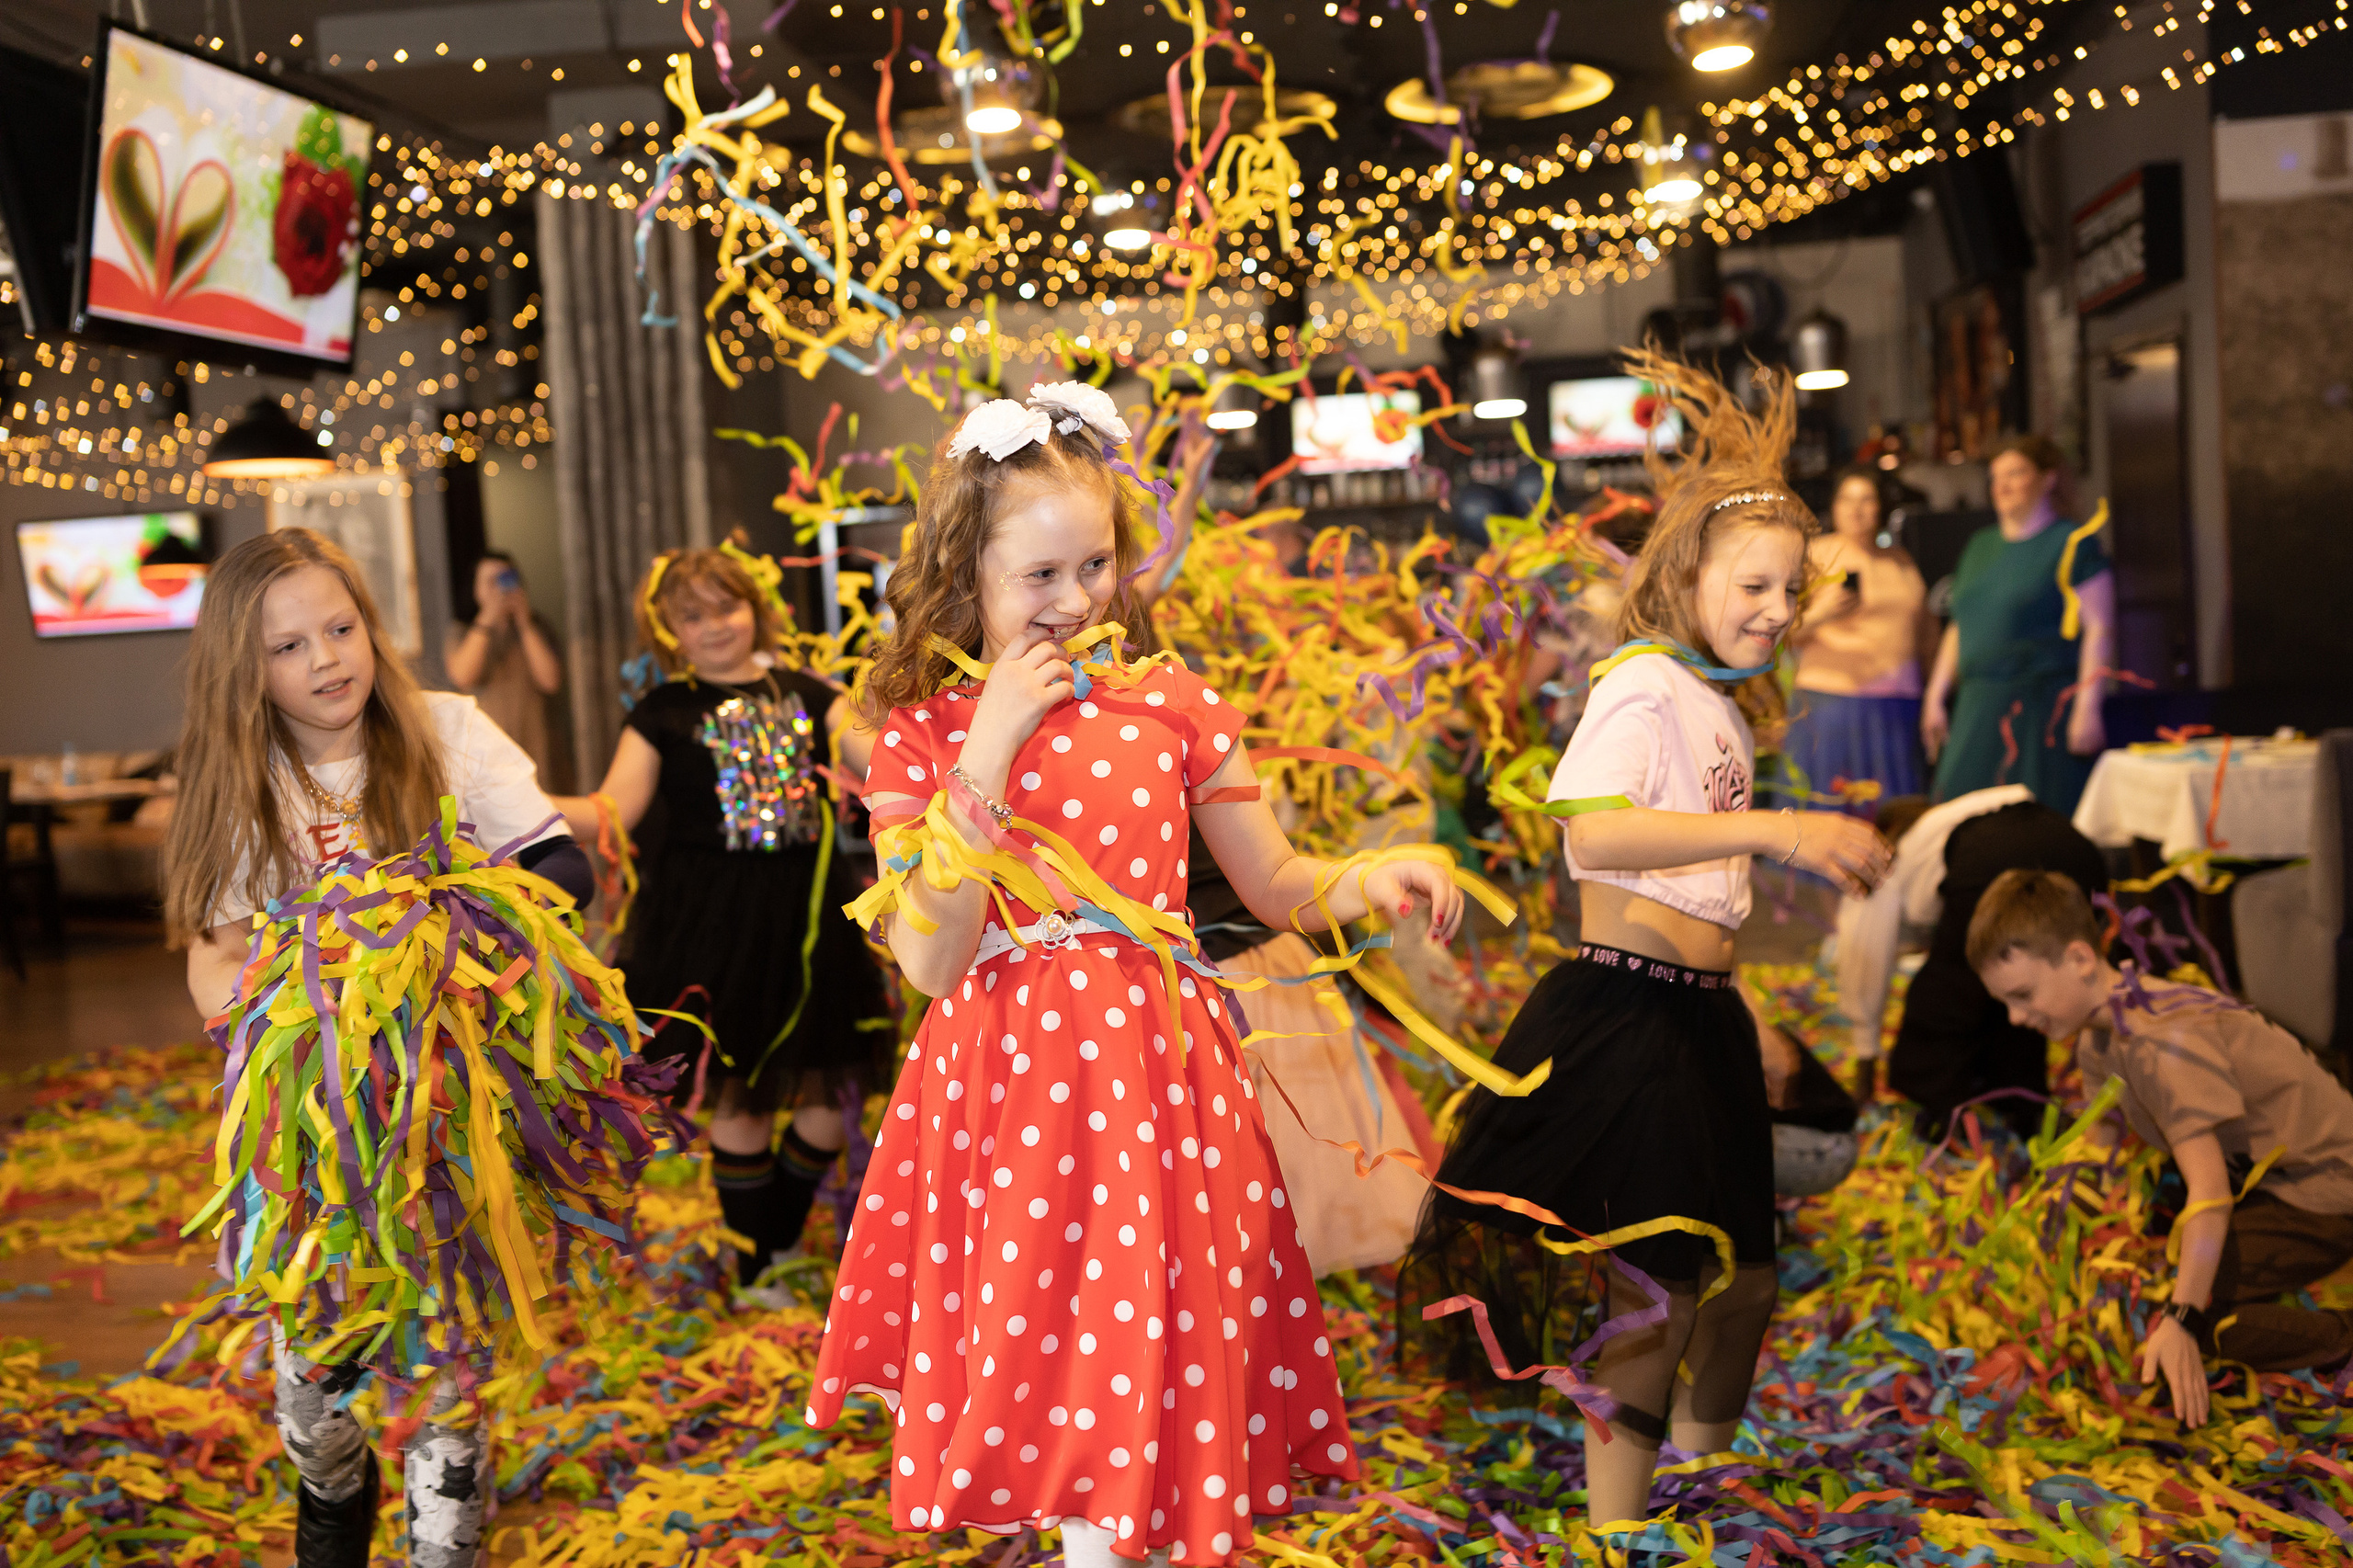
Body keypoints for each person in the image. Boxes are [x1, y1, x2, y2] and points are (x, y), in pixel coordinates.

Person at [804, 381, 1471, 1568]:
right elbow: (929, 957)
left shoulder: (1172, 703)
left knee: (1151, 1344)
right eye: (1039, 575)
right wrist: (990, 745)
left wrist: (1371, 879)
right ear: (965, 573)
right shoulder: (924, 733)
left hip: (1158, 1076)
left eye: (1095, 566)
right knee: (1054, 1345)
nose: (1075, 601)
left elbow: (1274, 883)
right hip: (1011, 1086)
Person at [1402, 350, 1890, 1531]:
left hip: (1698, 1015)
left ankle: (1700, 1483)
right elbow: (1594, 830)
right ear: (1684, 576)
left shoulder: (1715, 703)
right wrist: (1780, 827)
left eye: (1791, 588)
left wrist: (1743, 1007)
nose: (1776, 608)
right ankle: (1619, 1531)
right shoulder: (1642, 685)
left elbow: (1705, 889)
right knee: (1656, 1291)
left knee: (1747, 1280)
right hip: (1627, 1018)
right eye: (1753, 583)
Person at [163, 527, 595, 1568]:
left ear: (370, 625)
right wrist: (268, 1033)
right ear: (243, 668)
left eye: (340, 628)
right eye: (287, 646)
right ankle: (333, 1493)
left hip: (452, 1125)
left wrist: (449, 929)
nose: (325, 659)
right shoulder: (241, 780)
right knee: (313, 1398)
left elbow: (561, 866)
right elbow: (216, 954)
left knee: (449, 1384)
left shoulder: (447, 729)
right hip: (315, 1144)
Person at [554, 542, 891, 1301]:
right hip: (707, 926)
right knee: (739, 1101)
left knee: (827, 1106)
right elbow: (613, 809)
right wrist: (517, 800)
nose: (714, 627)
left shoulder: (809, 695)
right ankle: (758, 1268)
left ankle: (772, 1237)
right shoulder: (662, 712)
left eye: (727, 607)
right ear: (669, 630)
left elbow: (882, 764)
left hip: (806, 924)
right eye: (693, 616)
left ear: (755, 607)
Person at [1971, 869, 2353, 1419]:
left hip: (2325, 1189)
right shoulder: (2099, 1037)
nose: (2015, 1017)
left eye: (2023, 995)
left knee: (2185, 1312)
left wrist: (2182, 1317)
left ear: (2079, 959)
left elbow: (2209, 1192)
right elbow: (2100, 1161)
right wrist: (2057, 1253)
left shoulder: (2158, 1041)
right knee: (2147, 1273)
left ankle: (2339, 1337)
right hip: (2261, 1182)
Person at [1836, 787, 2110, 1122]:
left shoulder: (1892, 857)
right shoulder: (1956, 816)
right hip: (2083, 858)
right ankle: (2020, 1098)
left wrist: (1866, 1054)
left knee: (1947, 993)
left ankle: (1941, 1109)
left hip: (1999, 860)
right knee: (2019, 985)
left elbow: (1863, 956)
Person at [1922, 435, 2115, 815]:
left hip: (2038, 705)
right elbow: (1960, 625)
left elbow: (2099, 628)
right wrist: (1935, 697)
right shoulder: (1979, 545)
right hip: (1977, 704)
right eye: (1995, 477)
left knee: (2038, 817)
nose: (2002, 486)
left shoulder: (2072, 542)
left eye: (2015, 474)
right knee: (1958, 815)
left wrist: (2088, 706)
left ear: (2047, 479)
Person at [1781, 466, 1930, 811]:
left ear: (1880, 507)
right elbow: (1779, 632)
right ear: (1834, 507)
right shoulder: (1814, 555)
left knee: (1893, 811)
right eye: (1847, 500)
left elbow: (1924, 632)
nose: (1856, 509)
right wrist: (1822, 615)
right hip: (1832, 700)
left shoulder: (1900, 560)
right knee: (1830, 805)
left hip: (1897, 702)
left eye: (1866, 499)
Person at [446, 550, 565, 787]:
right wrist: (488, 618)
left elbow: (550, 682)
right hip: (486, 756)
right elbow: (462, 677)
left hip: (535, 751)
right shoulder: (462, 631)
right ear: (475, 589)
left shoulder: (536, 627)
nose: (501, 589)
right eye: (491, 582)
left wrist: (524, 623)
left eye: (507, 579)